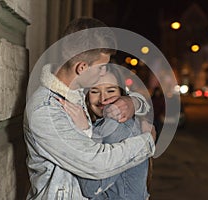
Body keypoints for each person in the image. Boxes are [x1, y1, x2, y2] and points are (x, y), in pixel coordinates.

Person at [24, 17, 156, 200]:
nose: (104, 73)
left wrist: (134, 102)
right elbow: (95, 163)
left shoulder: (76, 93)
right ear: (82, 67)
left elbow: (115, 99)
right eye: (102, 67)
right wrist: (147, 142)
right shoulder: (46, 110)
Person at [62, 65, 155, 200]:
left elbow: (90, 187)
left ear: (122, 94)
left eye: (110, 91)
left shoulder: (115, 126)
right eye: (95, 91)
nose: (103, 99)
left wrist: (85, 132)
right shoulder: (103, 124)